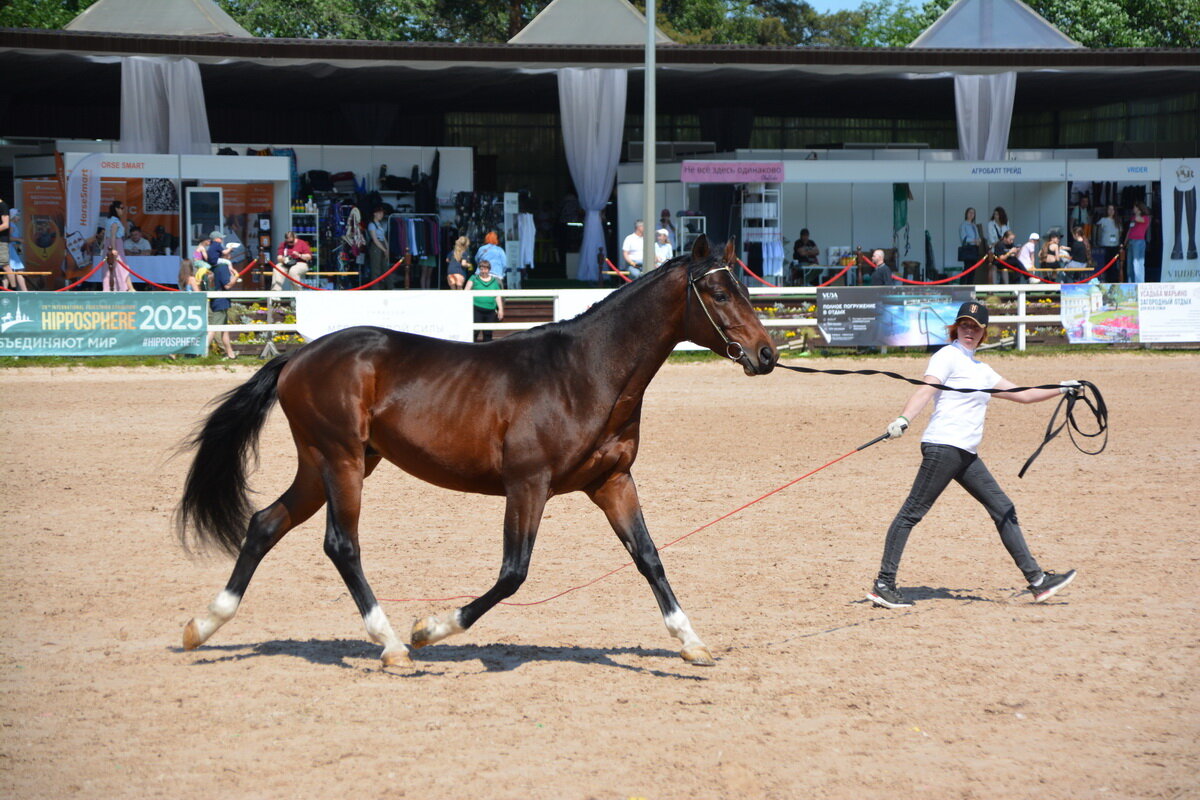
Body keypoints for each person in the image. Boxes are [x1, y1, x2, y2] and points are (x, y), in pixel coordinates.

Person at [866, 301, 1079, 610]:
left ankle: (1037, 581)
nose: (970, 331)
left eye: (976, 327)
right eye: (965, 325)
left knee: (1003, 508)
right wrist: (905, 419)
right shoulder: (947, 356)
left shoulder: (981, 370)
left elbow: (1023, 395)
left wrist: (1062, 388)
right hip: (944, 447)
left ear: (983, 333)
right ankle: (884, 584)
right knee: (911, 513)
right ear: (956, 328)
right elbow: (927, 388)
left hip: (964, 453)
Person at [205, 249, 239, 359]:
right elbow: (227, 285)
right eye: (229, 253)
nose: (230, 255)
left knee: (225, 330)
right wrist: (236, 277)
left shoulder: (212, 267)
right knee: (213, 330)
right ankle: (201, 353)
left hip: (215, 299)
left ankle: (230, 354)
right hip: (221, 300)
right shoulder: (223, 267)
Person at [466, 259, 504, 342]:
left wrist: (500, 309)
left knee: (488, 333)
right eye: (482, 269)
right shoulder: (474, 278)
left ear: (489, 269)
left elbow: (497, 296)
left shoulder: (494, 281)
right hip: (476, 308)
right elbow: (466, 292)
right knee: (474, 332)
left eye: (486, 269)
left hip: (490, 310)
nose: (483, 271)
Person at [103, 199, 135, 291]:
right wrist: (113, 248)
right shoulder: (114, 221)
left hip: (111, 244)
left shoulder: (109, 220)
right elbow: (113, 235)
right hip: (115, 244)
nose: (122, 210)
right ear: (116, 209)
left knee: (115, 267)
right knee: (121, 266)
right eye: (121, 208)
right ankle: (127, 288)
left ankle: (127, 287)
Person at [1094, 204, 1123, 279]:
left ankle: (1113, 279)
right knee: (1106, 264)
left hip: (1115, 245)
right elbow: (1096, 231)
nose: (1111, 211)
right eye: (1109, 209)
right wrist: (1096, 242)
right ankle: (1107, 279)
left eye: (1112, 209)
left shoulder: (1118, 221)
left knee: (1114, 265)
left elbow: (1120, 233)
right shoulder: (1103, 220)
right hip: (1105, 245)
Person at [3, 206, 27, 291]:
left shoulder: (12, 225)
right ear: (13, 216)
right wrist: (19, 239)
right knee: (19, 270)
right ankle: (25, 292)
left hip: (11, 249)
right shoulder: (11, 225)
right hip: (10, 249)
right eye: (18, 216)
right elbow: (8, 238)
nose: (19, 218)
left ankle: (4, 291)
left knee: (8, 272)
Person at [366, 206, 390, 289]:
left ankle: (386, 287)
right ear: (374, 214)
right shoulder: (371, 225)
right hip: (376, 247)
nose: (381, 215)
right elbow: (375, 240)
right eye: (379, 213)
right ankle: (375, 289)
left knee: (385, 268)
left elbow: (384, 237)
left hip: (382, 244)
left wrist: (387, 248)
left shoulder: (380, 224)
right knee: (376, 269)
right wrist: (384, 250)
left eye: (382, 213)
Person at [1126, 201, 1151, 283]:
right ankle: (1131, 283)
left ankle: (1139, 284)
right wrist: (1125, 242)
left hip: (1138, 242)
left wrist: (1137, 213)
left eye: (1135, 207)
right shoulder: (1133, 218)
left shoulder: (1146, 218)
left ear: (1139, 209)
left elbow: (1138, 219)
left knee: (1137, 264)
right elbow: (1130, 230)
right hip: (1131, 241)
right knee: (1129, 265)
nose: (1133, 209)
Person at [958, 207, 982, 283]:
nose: (971, 214)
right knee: (967, 268)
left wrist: (978, 241)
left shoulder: (974, 225)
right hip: (968, 248)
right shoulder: (963, 225)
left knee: (973, 270)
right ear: (966, 214)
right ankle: (962, 285)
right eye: (970, 213)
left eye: (973, 213)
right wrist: (974, 241)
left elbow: (977, 236)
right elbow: (963, 238)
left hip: (975, 249)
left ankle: (970, 285)